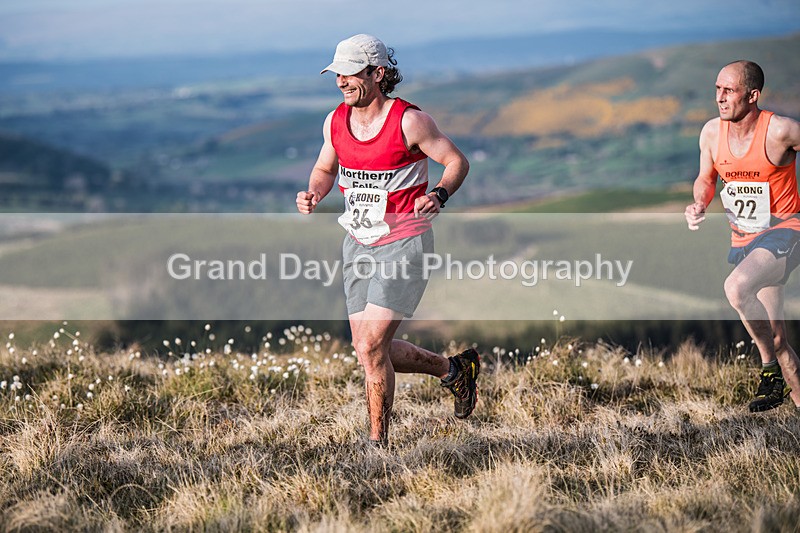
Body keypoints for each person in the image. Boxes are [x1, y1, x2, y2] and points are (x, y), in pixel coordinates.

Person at [296, 34, 478, 445]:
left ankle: (378, 444)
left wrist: (439, 194)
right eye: (337, 74)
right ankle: (454, 370)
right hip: (358, 243)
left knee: (372, 343)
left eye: (350, 73)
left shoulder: (410, 121)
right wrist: (314, 192)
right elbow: (325, 169)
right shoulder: (334, 121)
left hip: (405, 243)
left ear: (377, 73)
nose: (341, 81)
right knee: (367, 347)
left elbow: (455, 161)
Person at [685, 60, 800, 412]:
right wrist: (699, 203)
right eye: (717, 89)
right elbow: (707, 178)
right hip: (744, 241)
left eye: (729, 91)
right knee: (778, 339)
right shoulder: (710, 133)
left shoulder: (780, 131)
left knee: (736, 288)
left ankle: (768, 372)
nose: (720, 97)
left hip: (785, 233)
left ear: (753, 95)